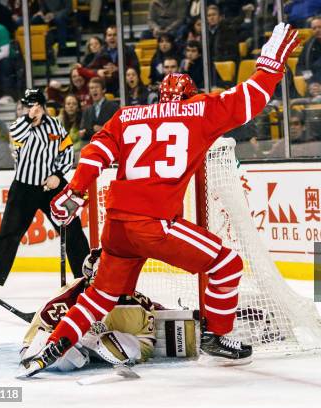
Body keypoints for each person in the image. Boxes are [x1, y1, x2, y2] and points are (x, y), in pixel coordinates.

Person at [19, 23, 301, 377]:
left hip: (118, 226)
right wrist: (270, 64)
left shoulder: (127, 116)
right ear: (190, 95)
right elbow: (250, 98)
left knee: (100, 297)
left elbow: (95, 152)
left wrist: (75, 191)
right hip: (155, 224)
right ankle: (218, 335)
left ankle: (55, 344)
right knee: (226, 265)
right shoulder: (199, 110)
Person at [0, 89, 90, 294]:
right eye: (27, 105)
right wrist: (30, 118)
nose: (31, 108)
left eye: (34, 105)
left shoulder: (55, 125)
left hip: (52, 186)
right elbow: (16, 135)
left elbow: (66, 152)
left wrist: (58, 174)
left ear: (42, 106)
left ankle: (84, 276)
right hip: (24, 187)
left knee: (71, 228)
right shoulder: (20, 126)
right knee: (9, 232)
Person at [19, 248, 199, 371]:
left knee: (114, 344)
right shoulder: (64, 302)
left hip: (107, 341)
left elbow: (147, 334)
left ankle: (86, 343)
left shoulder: (136, 302)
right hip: (69, 349)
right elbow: (28, 349)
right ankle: (81, 344)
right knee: (66, 357)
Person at [79, 77, 119, 144]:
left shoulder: (113, 107)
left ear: (103, 90)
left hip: (109, 144)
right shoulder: (87, 111)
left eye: (96, 87)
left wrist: (103, 129)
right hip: (92, 145)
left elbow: (118, 128)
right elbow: (84, 130)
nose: (94, 90)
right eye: (91, 88)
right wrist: (82, 133)